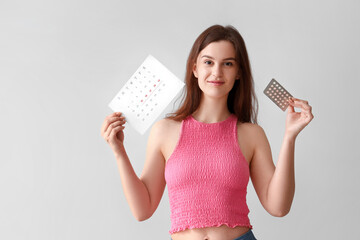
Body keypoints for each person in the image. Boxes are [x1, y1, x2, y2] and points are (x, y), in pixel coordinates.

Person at [100, 24, 314, 240]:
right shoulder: (164, 130)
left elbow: (278, 207)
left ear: (239, 72)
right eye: (208, 62)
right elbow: (142, 210)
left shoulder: (251, 134)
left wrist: (290, 137)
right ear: (195, 68)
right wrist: (119, 152)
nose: (217, 72)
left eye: (228, 64)